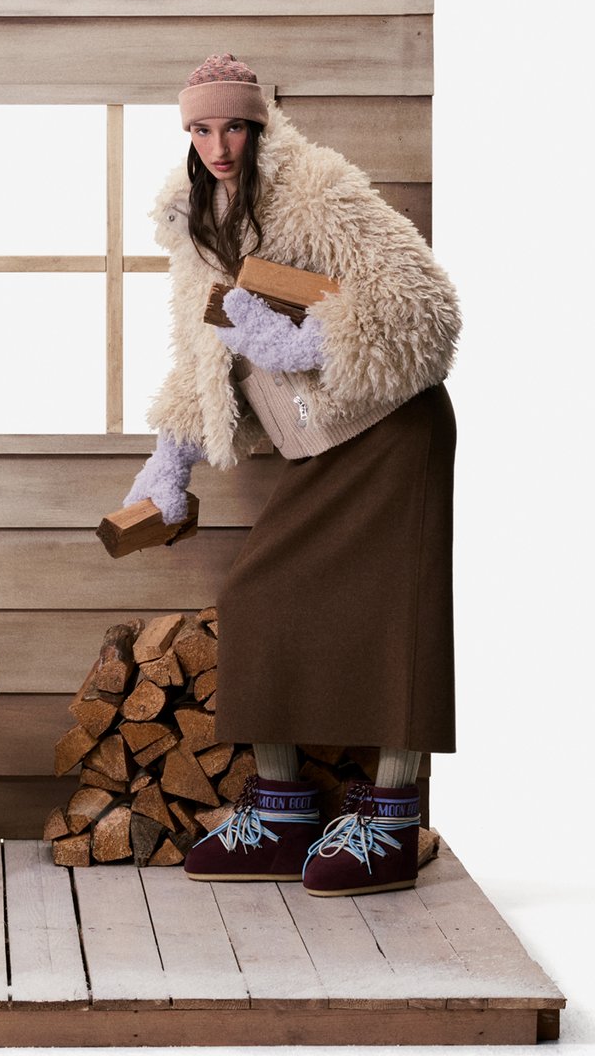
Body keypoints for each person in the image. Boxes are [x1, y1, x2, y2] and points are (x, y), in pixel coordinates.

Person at [123, 54, 461, 896]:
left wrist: (306, 343)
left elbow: (427, 305)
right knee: (257, 597)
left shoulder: (316, 190)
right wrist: (169, 462)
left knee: (397, 612)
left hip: (390, 430)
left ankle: (390, 818)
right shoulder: (194, 223)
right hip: (322, 445)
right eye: (200, 129)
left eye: (232, 125)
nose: (218, 145)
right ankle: (282, 812)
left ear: (260, 123)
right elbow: (204, 355)